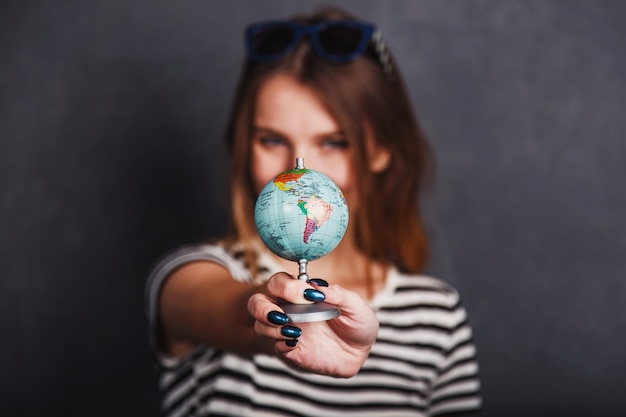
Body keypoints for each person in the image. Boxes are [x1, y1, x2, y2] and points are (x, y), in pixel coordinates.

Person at [146, 6, 482, 416]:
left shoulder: (437, 319)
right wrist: (274, 320)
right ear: (242, 145)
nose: (299, 169)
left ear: (381, 150)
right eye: (271, 140)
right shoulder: (194, 275)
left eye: (334, 142)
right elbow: (217, 308)